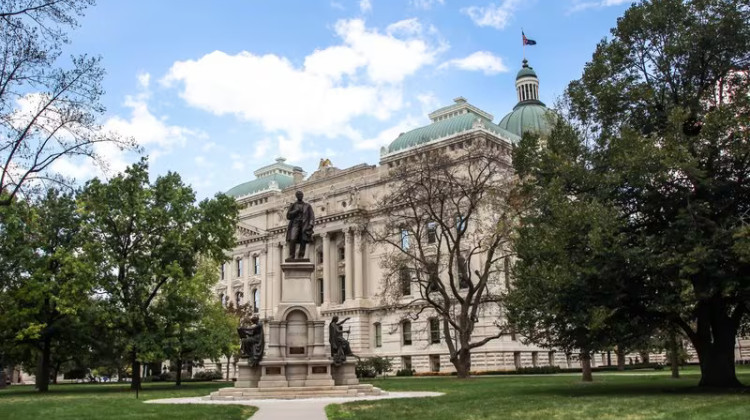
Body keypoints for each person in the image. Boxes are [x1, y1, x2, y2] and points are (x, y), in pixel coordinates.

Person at [286, 190, 315, 259]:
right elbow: (288, 216)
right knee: (293, 239)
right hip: (295, 224)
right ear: (296, 196)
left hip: (304, 224)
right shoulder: (293, 205)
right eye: (298, 195)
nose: (300, 196)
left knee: (303, 240)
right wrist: (296, 211)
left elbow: (312, 216)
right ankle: (291, 255)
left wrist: (310, 225)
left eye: (301, 195)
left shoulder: (307, 206)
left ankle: (301, 255)